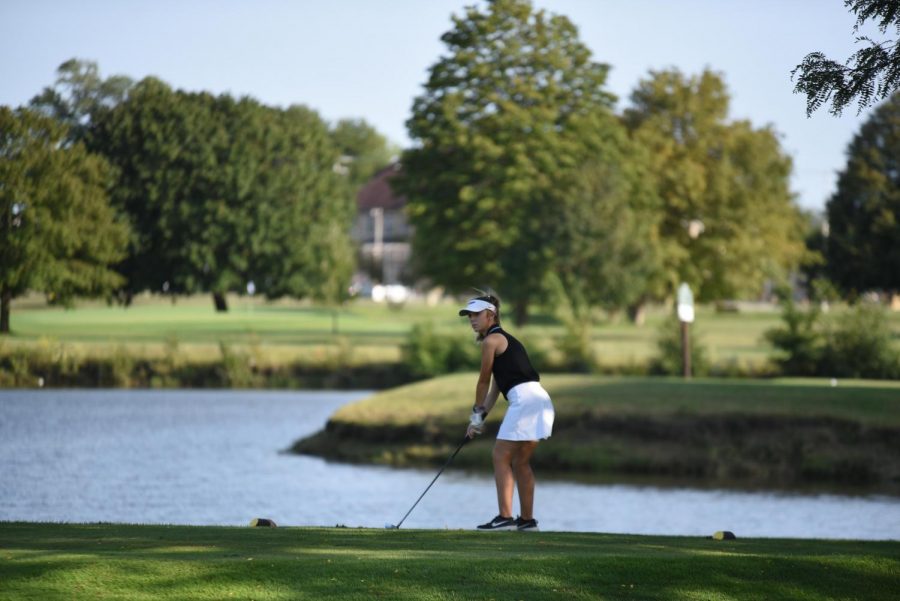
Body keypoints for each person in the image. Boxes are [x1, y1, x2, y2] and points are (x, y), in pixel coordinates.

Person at [459, 294, 555, 531]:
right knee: (521, 462)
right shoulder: (506, 340)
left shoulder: (491, 341)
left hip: (525, 401)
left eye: (476, 315)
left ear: (490, 315)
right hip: (541, 400)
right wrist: (478, 420)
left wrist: (474, 417)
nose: (472, 320)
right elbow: (495, 389)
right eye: (469, 316)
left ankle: (504, 517)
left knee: (500, 456)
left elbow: (482, 382)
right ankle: (527, 521)